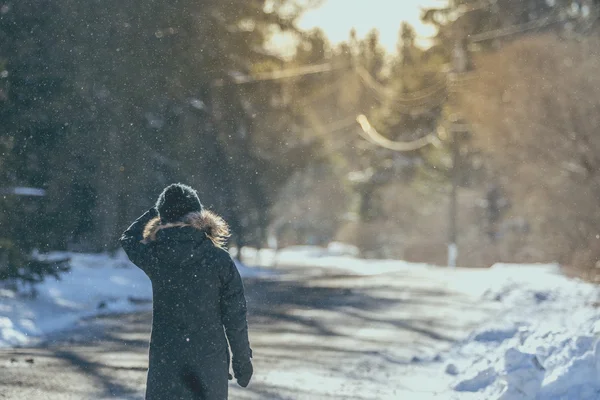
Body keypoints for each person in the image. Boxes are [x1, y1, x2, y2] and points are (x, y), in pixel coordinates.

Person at [120, 183, 253, 400]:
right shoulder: (218, 259)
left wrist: (159, 210)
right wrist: (241, 360)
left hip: (166, 362)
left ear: (163, 218)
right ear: (197, 216)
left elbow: (128, 239)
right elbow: (235, 315)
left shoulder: (156, 255)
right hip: (209, 363)